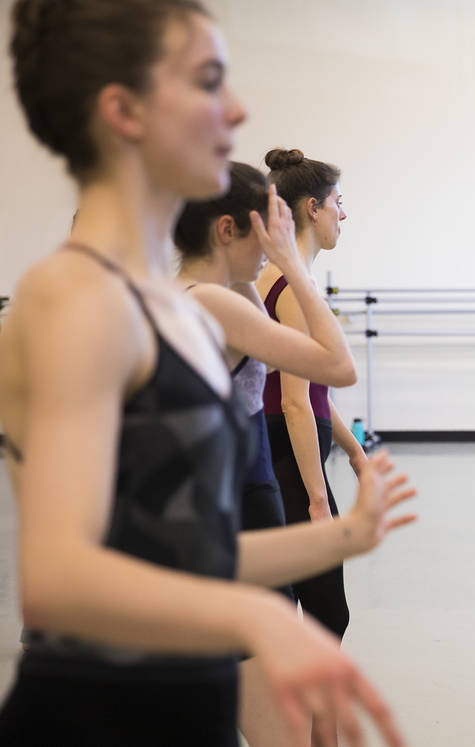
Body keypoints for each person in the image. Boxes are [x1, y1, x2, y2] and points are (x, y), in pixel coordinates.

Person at [0, 2, 412, 744]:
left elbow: (176, 552)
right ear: (123, 109)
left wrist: (338, 536)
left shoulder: (170, 304)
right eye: (209, 81)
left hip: (187, 700)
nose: (239, 108)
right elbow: (59, 581)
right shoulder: (72, 298)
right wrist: (253, 611)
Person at [174, 163, 414, 746]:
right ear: (226, 231)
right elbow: (334, 370)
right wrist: (293, 267)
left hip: (229, 509)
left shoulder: (199, 296)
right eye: (265, 231)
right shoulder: (217, 303)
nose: (271, 245)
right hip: (239, 501)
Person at [257, 148, 365, 643]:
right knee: (325, 616)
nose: (344, 214)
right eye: (337, 202)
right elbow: (295, 402)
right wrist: (318, 498)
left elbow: (311, 390)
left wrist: (355, 452)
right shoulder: (293, 288)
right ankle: (315, 723)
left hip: (280, 459)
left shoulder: (278, 280)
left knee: (290, 611)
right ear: (312, 209)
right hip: (292, 467)